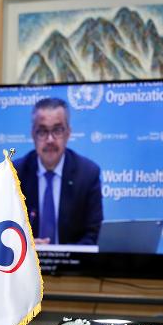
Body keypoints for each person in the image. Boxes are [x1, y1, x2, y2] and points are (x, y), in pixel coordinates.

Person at [14, 98, 103, 245]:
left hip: (73, 266)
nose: (50, 140)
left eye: (57, 130)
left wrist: (61, 255)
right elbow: (1, 230)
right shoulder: (14, 174)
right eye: (42, 131)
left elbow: (94, 235)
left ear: (68, 133)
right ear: (33, 135)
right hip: (25, 265)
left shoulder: (88, 174)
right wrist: (25, 248)